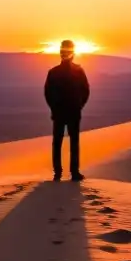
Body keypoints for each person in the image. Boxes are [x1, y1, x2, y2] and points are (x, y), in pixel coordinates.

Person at [44, 39, 90, 181]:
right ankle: (72, 172)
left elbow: (47, 93)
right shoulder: (76, 71)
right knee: (71, 142)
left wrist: (54, 108)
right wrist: (79, 106)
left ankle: (59, 173)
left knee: (58, 142)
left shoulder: (55, 72)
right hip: (70, 113)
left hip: (62, 113)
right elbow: (86, 91)